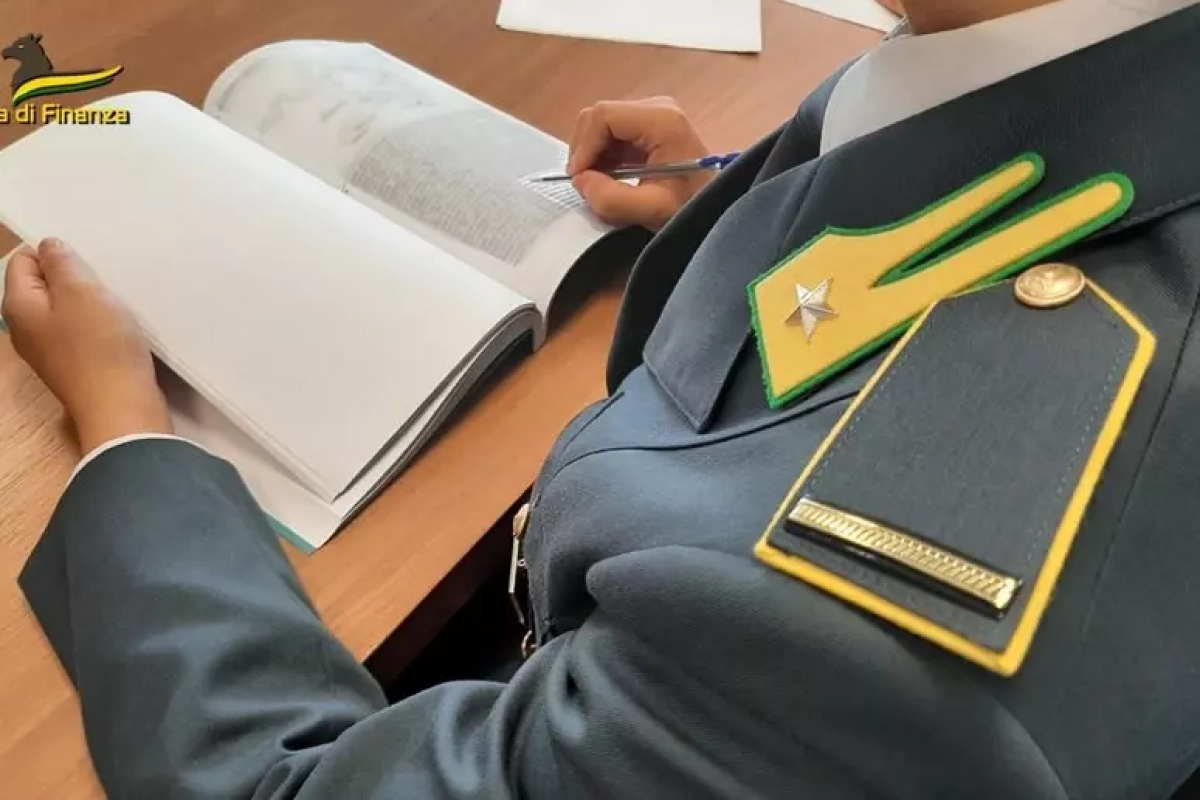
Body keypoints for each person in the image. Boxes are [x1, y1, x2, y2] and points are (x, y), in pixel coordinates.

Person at [10, 0, 1200, 797]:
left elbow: (281, 781)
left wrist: (126, 438)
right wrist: (740, 210)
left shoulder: (852, 625)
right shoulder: (1057, 46)